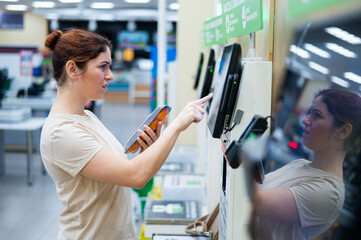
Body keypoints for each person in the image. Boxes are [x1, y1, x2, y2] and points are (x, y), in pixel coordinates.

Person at [40, 28, 213, 240]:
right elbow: (134, 177)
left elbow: (122, 174)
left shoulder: (87, 117)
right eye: (103, 67)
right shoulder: (61, 133)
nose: (110, 75)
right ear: (73, 69)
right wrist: (176, 126)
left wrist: (149, 150)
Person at [251, 88, 361, 240]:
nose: (305, 120)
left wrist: (242, 154)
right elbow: (259, 186)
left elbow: (254, 202)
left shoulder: (328, 193)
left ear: (343, 131)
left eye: (316, 115)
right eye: (310, 112)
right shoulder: (301, 164)